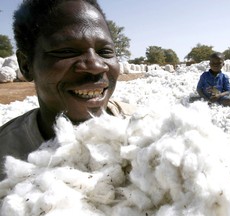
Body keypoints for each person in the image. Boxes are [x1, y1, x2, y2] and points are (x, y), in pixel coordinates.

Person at [0, 0, 135, 180]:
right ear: (25, 65)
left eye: (105, 52)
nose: (96, 65)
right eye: (67, 51)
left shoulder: (143, 132)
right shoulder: (6, 151)